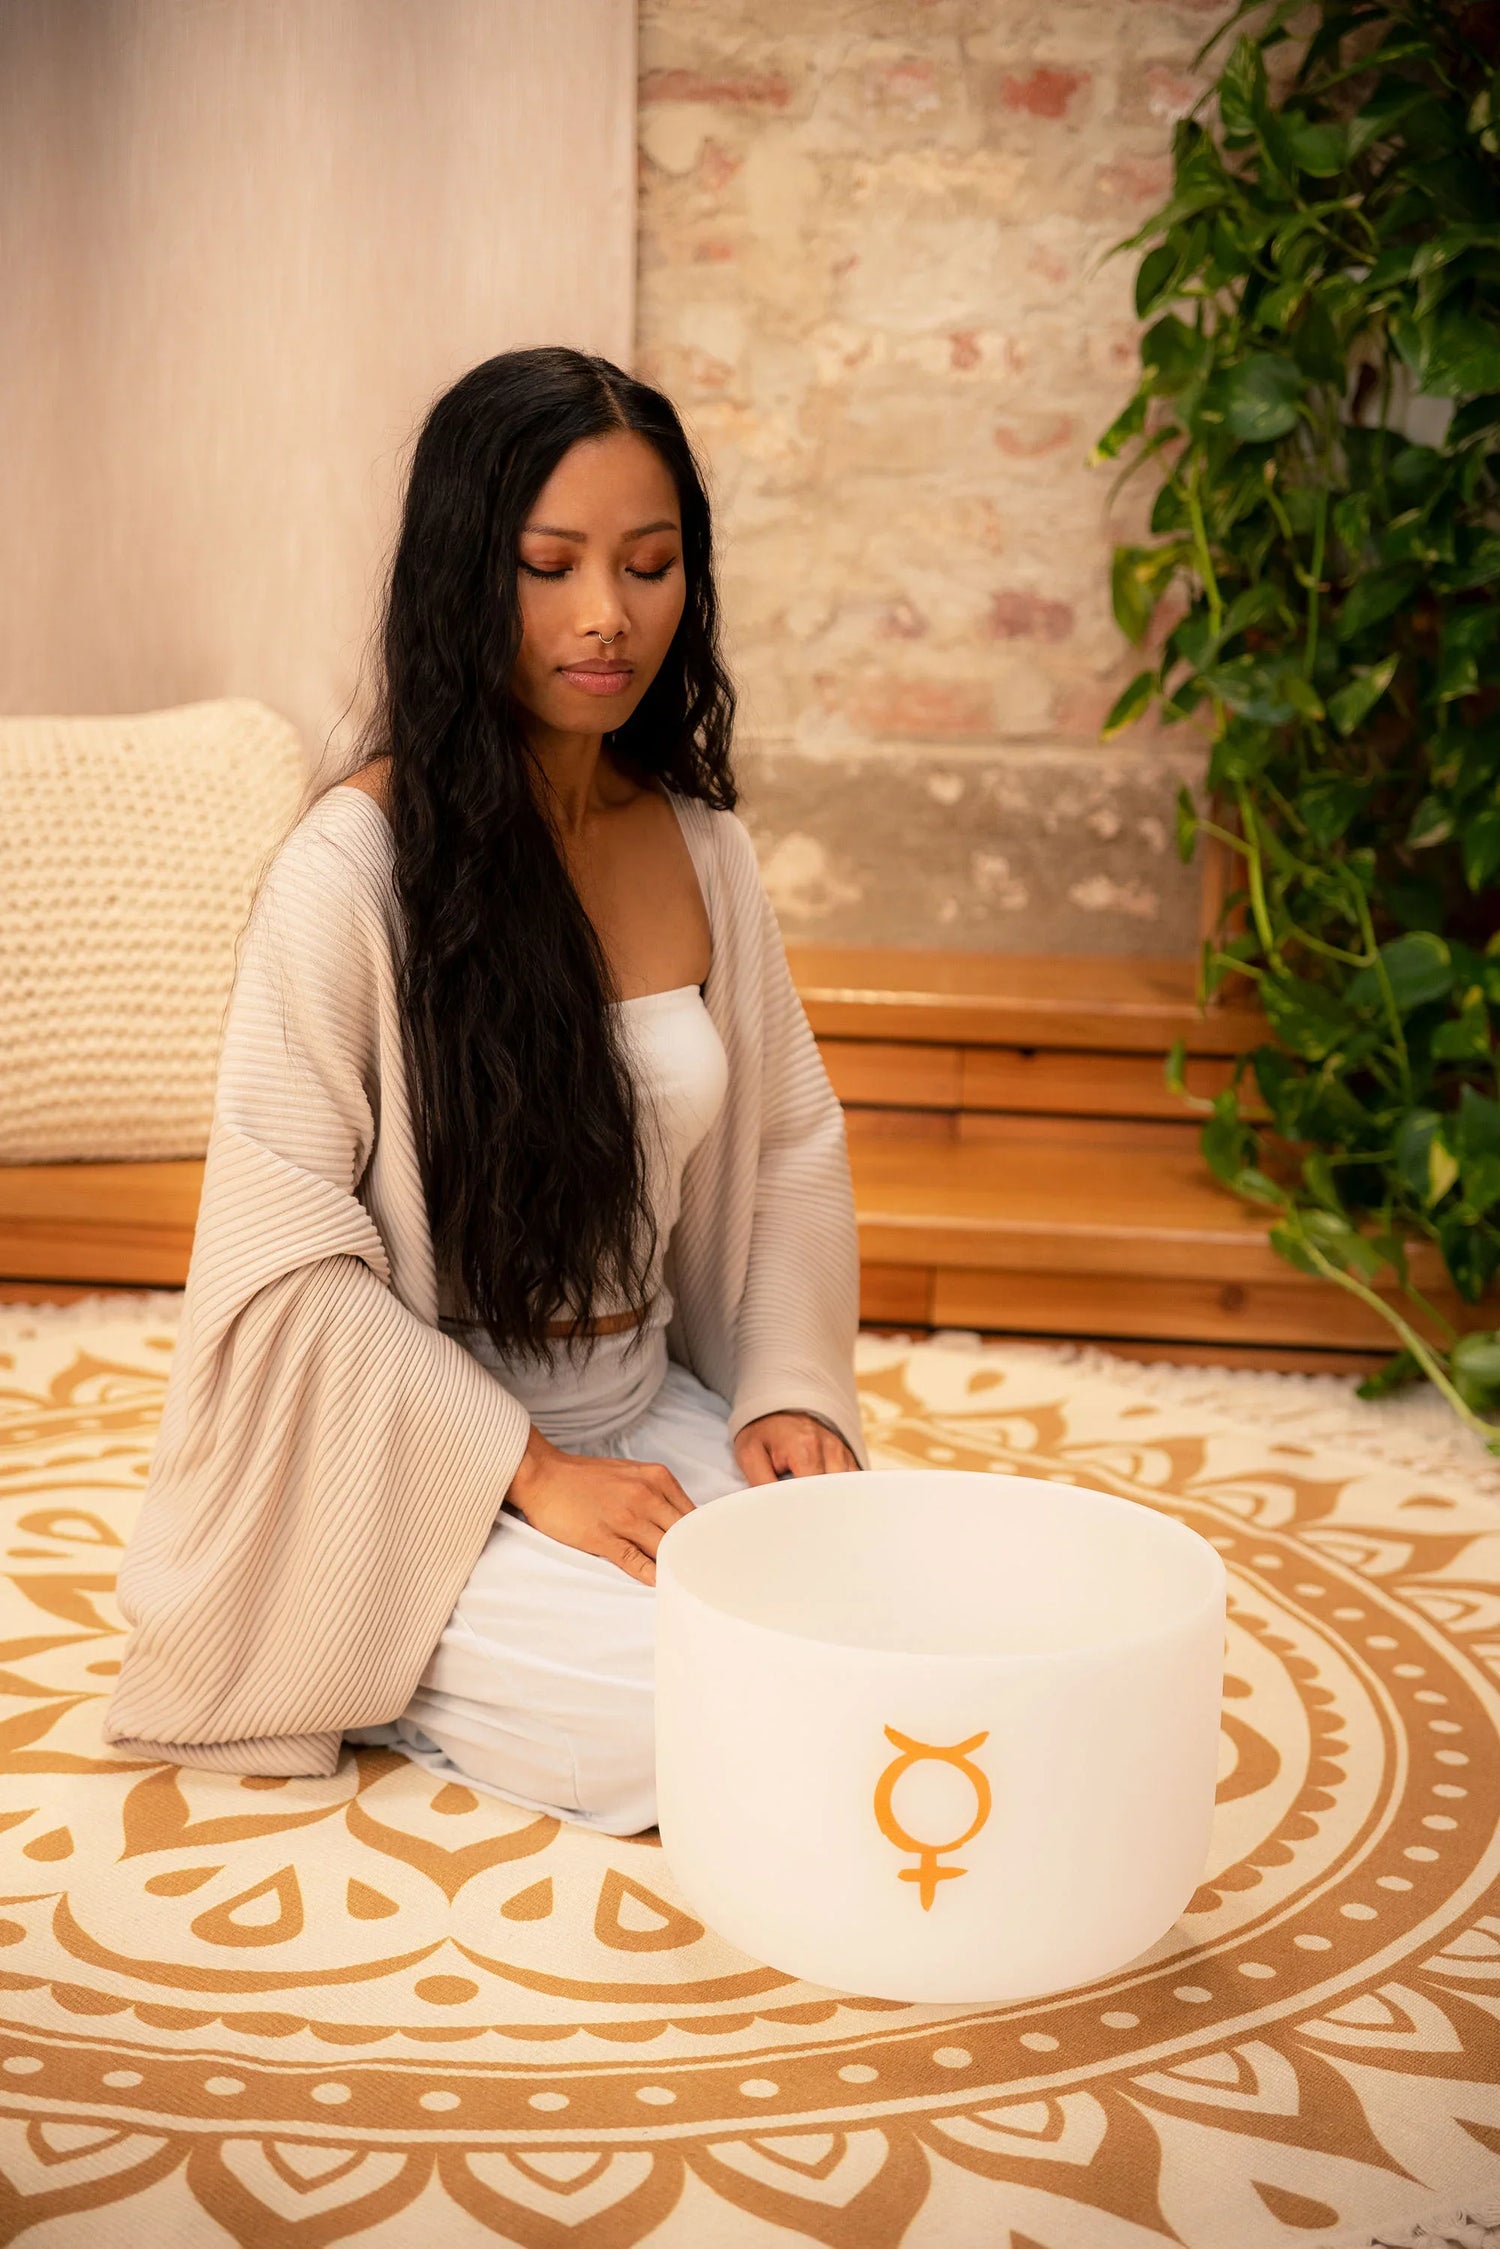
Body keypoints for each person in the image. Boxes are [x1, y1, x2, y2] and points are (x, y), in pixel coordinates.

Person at [104, 348, 868, 1833]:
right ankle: (364, 1635)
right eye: (550, 565)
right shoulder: (349, 871)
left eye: (650, 565)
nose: (608, 613)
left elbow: (786, 1143)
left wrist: (791, 1388)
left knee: (866, 1628)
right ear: (466, 573)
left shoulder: (702, 846)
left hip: (651, 1399)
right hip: (418, 1465)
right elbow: (287, 1256)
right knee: (708, 1719)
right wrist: (530, 1469)